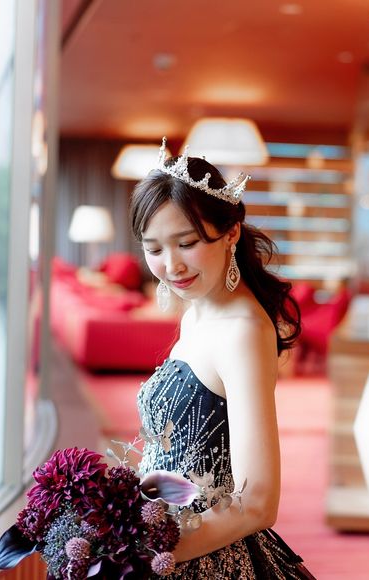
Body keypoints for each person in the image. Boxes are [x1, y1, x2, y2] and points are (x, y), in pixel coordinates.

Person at [129, 138, 316, 579]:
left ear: (231, 232)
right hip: (164, 537)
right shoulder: (197, 310)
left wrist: (147, 554)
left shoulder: (242, 331)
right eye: (154, 249)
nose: (172, 266)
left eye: (187, 243)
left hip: (201, 556)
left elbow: (258, 502)